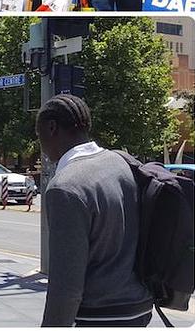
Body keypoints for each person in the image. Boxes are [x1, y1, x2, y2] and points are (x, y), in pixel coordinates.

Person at [34, 94, 153, 326]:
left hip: (100, 315)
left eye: (38, 135)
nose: (40, 144)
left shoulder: (65, 187)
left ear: (51, 128)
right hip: (140, 307)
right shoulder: (121, 162)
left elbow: (66, 286)